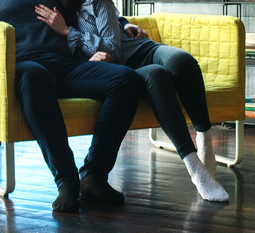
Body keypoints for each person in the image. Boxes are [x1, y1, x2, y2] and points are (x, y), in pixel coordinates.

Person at [35, 0, 229, 202]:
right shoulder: (49, 11)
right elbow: (62, 58)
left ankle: (205, 139)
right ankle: (195, 168)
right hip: (123, 73)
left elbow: (112, 47)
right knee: (157, 76)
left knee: (182, 61)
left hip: (137, 51)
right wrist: (84, 59)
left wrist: (76, 31)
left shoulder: (95, 2)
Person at [0, 0, 145, 213]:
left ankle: (94, 175)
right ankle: (67, 182)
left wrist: (122, 23)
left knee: (126, 80)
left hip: (66, 64)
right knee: (35, 76)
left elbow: (83, 11)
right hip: (26, 66)